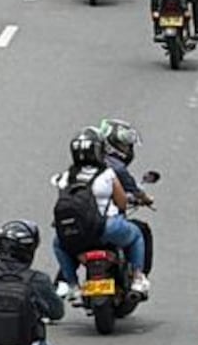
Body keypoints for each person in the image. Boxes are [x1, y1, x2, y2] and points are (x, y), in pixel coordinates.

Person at [51, 126, 147, 295]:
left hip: (76, 232)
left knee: (58, 244)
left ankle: (72, 285)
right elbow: (122, 203)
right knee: (137, 235)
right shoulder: (108, 174)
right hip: (107, 229)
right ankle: (138, 278)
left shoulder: (66, 176)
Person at [96, 117, 155, 271]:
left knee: (67, 245)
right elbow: (134, 191)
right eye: (125, 145)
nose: (128, 149)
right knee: (141, 232)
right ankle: (139, 277)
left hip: (83, 227)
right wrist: (146, 199)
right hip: (109, 225)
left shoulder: (82, 167)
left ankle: (63, 283)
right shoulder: (117, 170)